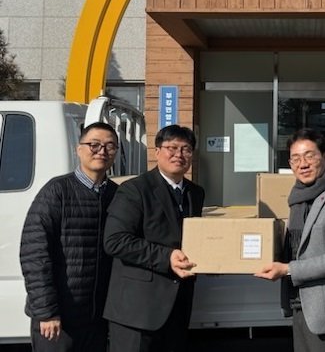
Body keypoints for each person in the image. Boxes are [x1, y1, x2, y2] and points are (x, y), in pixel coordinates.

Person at [255, 128, 325, 352]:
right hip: (299, 303)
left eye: (309, 156)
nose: (302, 164)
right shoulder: (298, 199)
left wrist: (287, 269)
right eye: (295, 158)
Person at [103, 124, 204, 352]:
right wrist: (167, 257)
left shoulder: (196, 193)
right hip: (136, 311)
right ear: (157, 152)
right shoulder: (134, 189)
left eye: (186, 149)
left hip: (178, 307)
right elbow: (115, 240)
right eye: (172, 148)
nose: (179, 155)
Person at [19, 122, 120, 352]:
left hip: (97, 319)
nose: (102, 151)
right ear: (79, 149)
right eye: (94, 145)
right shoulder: (57, 191)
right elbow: (34, 254)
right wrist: (47, 311)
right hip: (59, 319)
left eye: (109, 146)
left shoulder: (117, 195)